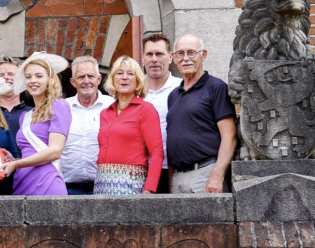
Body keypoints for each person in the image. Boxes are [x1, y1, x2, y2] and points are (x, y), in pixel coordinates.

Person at [166, 34, 237, 193]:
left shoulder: (216, 88)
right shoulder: (173, 96)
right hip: (178, 177)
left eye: (191, 53)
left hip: (205, 175)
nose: (185, 59)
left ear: (203, 55)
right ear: (173, 58)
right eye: (180, 54)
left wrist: (217, 176)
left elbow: (229, 136)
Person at [1, 52, 71, 196]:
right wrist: (14, 160)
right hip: (22, 181)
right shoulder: (25, 116)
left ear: (50, 79)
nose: (33, 80)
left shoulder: (59, 106)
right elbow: (30, 153)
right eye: (28, 77)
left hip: (47, 181)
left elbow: (55, 151)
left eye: (39, 76)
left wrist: (17, 164)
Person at [95, 56, 164, 195]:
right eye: (120, 73)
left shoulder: (146, 110)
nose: (124, 77)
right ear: (113, 79)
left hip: (131, 184)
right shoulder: (105, 113)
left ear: (138, 79)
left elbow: (157, 152)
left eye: (130, 73)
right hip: (101, 183)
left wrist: (149, 189)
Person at [61, 56, 114, 195]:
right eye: (81, 77)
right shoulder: (62, 108)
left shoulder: (113, 106)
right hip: (67, 189)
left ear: (99, 79)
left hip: (104, 188)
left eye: (90, 76)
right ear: (73, 82)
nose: (86, 81)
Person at [141, 34, 182, 194]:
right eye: (149, 54)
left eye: (159, 54)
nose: (154, 59)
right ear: (143, 58)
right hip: (141, 170)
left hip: (175, 169)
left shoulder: (182, 88)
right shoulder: (133, 90)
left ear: (170, 57)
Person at [0, 55, 33, 139]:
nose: (6, 77)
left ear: (21, 79)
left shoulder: (33, 112)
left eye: (11, 74)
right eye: (1, 75)